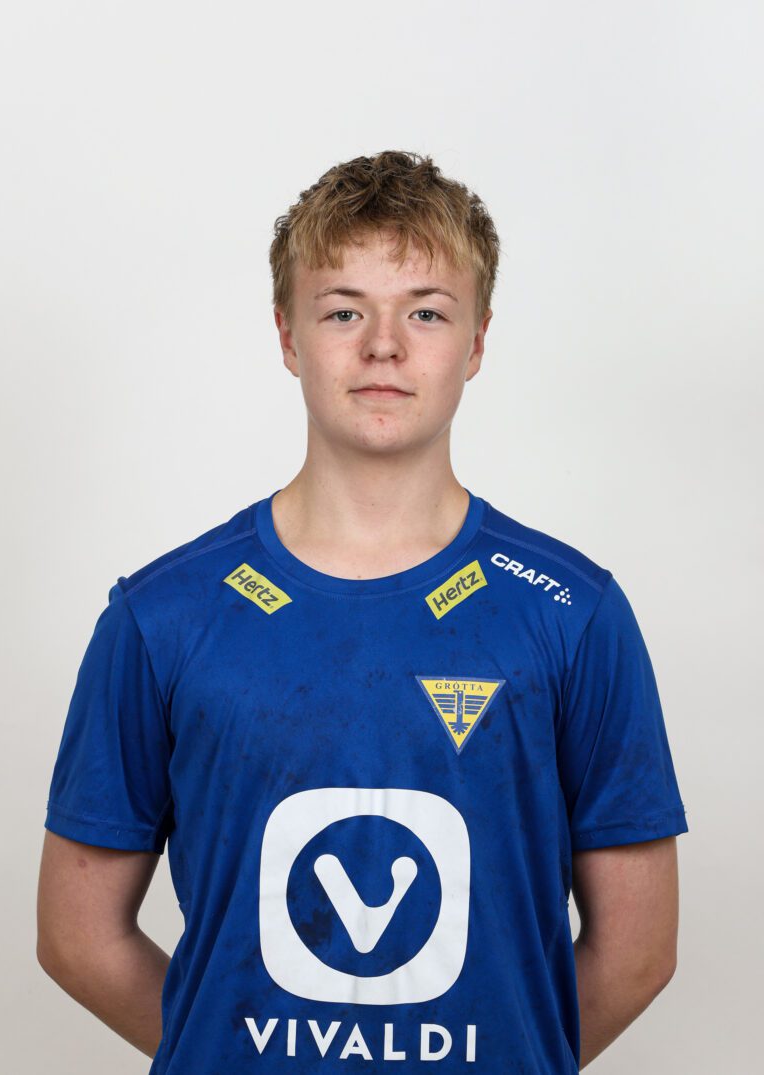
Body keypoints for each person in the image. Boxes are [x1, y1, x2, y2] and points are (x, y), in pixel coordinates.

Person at [36, 149, 688, 1074]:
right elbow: (78, 935)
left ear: (477, 343)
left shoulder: (573, 614)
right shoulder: (161, 617)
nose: (384, 345)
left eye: (426, 312)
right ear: (288, 336)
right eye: (343, 311)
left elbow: (638, 951)